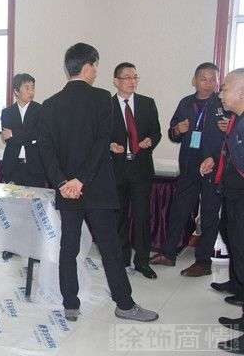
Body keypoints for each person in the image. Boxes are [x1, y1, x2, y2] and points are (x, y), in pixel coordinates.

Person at [38, 43, 158, 322]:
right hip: (98, 188)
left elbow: (46, 149)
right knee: (110, 248)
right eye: (95, 66)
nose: (96, 71)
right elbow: (102, 143)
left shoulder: (50, 104)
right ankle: (124, 305)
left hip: (67, 191)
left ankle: (70, 304)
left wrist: (63, 182)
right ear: (87, 66)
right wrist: (82, 180)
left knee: (68, 247)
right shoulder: (103, 98)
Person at [150, 63, 225, 277]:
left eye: (212, 79)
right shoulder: (185, 102)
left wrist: (227, 128)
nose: (208, 83)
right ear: (194, 80)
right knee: (179, 210)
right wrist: (177, 130)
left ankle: (203, 262)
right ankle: (168, 253)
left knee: (209, 214)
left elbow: (232, 136)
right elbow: (173, 134)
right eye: (203, 78)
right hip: (189, 165)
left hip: (213, 166)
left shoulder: (223, 103)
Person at [199, 68, 244, 353]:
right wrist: (216, 162)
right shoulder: (238, 121)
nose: (220, 93)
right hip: (234, 196)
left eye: (225, 87)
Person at [109, 62, 161, 279]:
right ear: (116, 81)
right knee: (119, 217)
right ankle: (121, 259)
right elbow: (98, 135)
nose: (132, 81)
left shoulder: (147, 103)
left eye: (135, 77)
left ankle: (142, 262)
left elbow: (156, 132)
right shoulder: (107, 106)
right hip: (117, 169)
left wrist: (150, 140)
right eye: (127, 77)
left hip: (140, 169)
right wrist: (110, 145)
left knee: (142, 217)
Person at [0, 73, 46, 260]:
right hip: (14, 167)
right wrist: (25, 136)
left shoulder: (40, 110)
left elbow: (38, 135)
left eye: (33, 87)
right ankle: (11, 246)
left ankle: (34, 249)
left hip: (34, 167)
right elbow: (8, 138)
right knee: (13, 209)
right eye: (27, 87)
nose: (31, 91)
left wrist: (15, 135)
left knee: (34, 209)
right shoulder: (7, 112)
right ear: (16, 91)